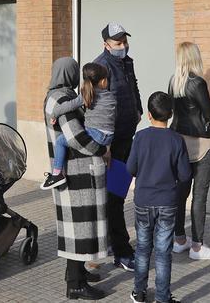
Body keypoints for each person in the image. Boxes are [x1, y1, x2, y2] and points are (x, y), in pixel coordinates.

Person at [45, 57, 108, 301]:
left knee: (78, 227)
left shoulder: (56, 95)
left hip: (72, 170)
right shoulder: (62, 98)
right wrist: (102, 150)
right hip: (76, 173)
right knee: (78, 228)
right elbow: (76, 137)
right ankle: (75, 284)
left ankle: (78, 273)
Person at [127, 92, 189, 303]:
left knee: (143, 248)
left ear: (149, 115)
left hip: (143, 200)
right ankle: (163, 297)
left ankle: (139, 292)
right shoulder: (176, 140)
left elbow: (130, 168)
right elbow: (184, 174)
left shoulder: (140, 137)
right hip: (168, 202)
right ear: (170, 115)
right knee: (163, 252)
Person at [92, 22, 141, 271]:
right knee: (114, 198)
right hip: (111, 144)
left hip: (125, 138)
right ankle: (122, 250)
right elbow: (95, 107)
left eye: (124, 41)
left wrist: (138, 111)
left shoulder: (126, 62)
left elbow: (133, 89)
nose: (123, 46)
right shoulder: (101, 66)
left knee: (116, 195)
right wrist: (105, 144)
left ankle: (112, 242)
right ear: (106, 44)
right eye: (118, 43)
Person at [168, 42, 210, 261]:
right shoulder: (197, 82)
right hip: (201, 143)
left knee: (180, 193)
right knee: (199, 197)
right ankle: (197, 247)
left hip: (179, 141)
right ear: (194, 57)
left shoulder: (174, 81)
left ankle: (179, 239)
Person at [43, 62, 115, 190]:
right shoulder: (111, 96)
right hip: (109, 137)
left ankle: (57, 173)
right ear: (103, 82)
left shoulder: (88, 94)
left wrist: (54, 114)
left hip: (96, 135)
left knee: (60, 141)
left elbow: (69, 106)